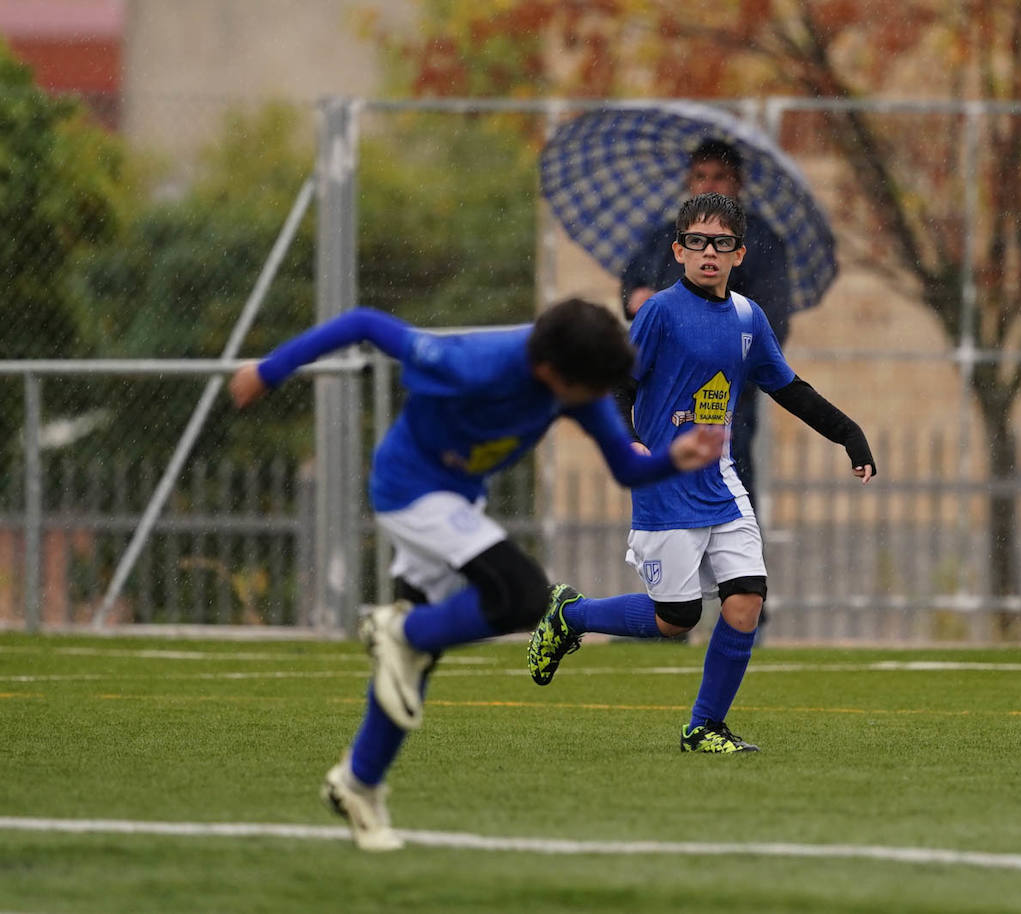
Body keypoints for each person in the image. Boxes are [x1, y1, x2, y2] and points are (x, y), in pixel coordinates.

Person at [229, 298, 724, 850]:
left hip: (458, 500)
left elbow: (627, 467)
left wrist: (675, 459)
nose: (598, 403)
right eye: (592, 389)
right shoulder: (468, 363)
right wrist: (267, 371)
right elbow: (364, 323)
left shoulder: (572, 386)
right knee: (522, 595)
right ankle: (397, 630)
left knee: (412, 669)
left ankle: (358, 783)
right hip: (409, 490)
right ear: (551, 374)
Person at [527, 193, 875, 753]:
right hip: (666, 481)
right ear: (678, 249)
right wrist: (631, 440)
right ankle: (571, 614)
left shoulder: (747, 316)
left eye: (720, 243)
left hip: (721, 480)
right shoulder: (658, 312)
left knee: (747, 599)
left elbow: (786, 387)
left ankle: (704, 726)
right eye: (696, 241)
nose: (707, 252)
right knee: (677, 619)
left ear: (739, 253)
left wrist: (848, 434)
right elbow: (618, 382)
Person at [620, 138, 792, 497]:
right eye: (701, 176)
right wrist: (635, 296)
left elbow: (770, 322)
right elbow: (633, 281)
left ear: (738, 183)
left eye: (719, 176)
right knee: (666, 486)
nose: (709, 185)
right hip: (664, 387)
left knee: (729, 487)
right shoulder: (666, 237)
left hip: (726, 391)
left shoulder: (760, 243)